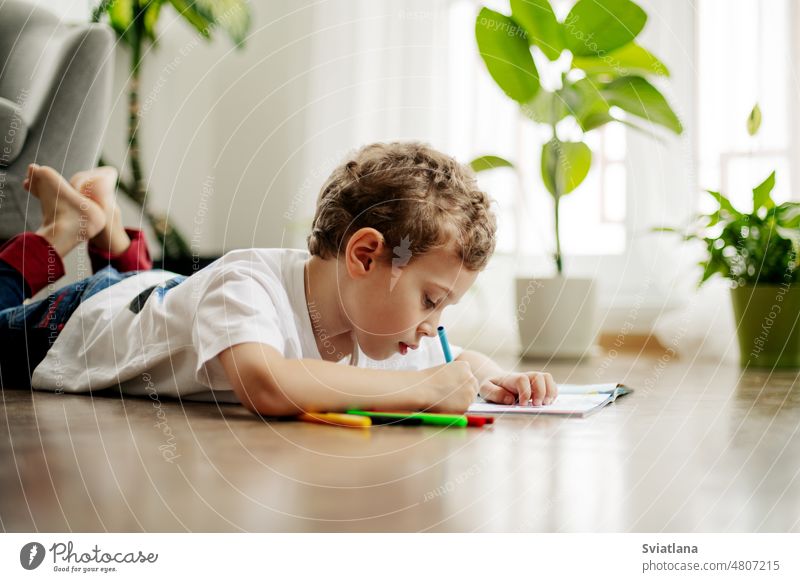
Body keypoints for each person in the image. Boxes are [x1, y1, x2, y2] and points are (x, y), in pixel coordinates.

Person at [0, 143, 558, 415]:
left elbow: (456, 362)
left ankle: (110, 234)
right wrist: (422, 390)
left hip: (162, 297)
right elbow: (266, 384)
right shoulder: (246, 284)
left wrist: (500, 378)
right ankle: (64, 230)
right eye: (431, 300)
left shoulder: (378, 319)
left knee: (163, 297)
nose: (433, 325)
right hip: (80, 321)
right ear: (365, 255)